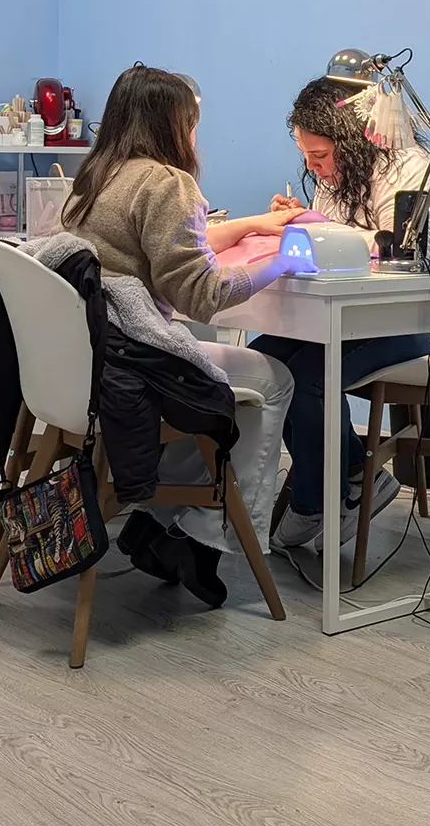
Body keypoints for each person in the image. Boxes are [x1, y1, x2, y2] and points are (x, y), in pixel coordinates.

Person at [59, 64, 308, 603]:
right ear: (174, 124)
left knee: (224, 384)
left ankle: (158, 520)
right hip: (136, 359)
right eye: (192, 122)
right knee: (273, 381)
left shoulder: (98, 175)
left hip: (85, 364)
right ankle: (202, 537)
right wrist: (279, 265)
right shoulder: (168, 183)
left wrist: (247, 227)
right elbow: (203, 296)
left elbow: (163, 246)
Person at [254, 76, 430, 550]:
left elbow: (391, 254)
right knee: (263, 364)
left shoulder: (411, 170)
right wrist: (304, 222)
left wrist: (316, 228)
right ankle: (358, 474)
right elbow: (336, 248)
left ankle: (318, 503)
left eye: (319, 156)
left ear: (351, 141)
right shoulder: (335, 181)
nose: (312, 167)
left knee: (313, 375)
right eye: (305, 156)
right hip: (365, 309)